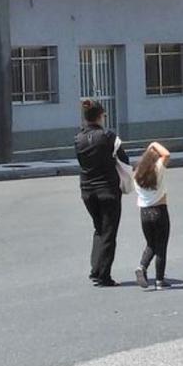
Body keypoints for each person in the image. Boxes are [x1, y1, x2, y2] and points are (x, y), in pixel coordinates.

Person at [74, 99, 130, 287]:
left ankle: (95, 270)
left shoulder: (78, 138)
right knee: (109, 232)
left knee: (99, 229)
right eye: (104, 115)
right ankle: (104, 275)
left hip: (87, 191)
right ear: (100, 116)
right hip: (108, 191)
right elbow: (124, 159)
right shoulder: (108, 136)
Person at [133, 141, 172, 291]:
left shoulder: (137, 173)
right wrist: (154, 144)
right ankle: (159, 281)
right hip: (159, 210)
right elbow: (166, 154)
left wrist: (149, 150)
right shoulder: (158, 169)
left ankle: (141, 267)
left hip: (144, 213)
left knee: (151, 244)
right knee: (161, 246)